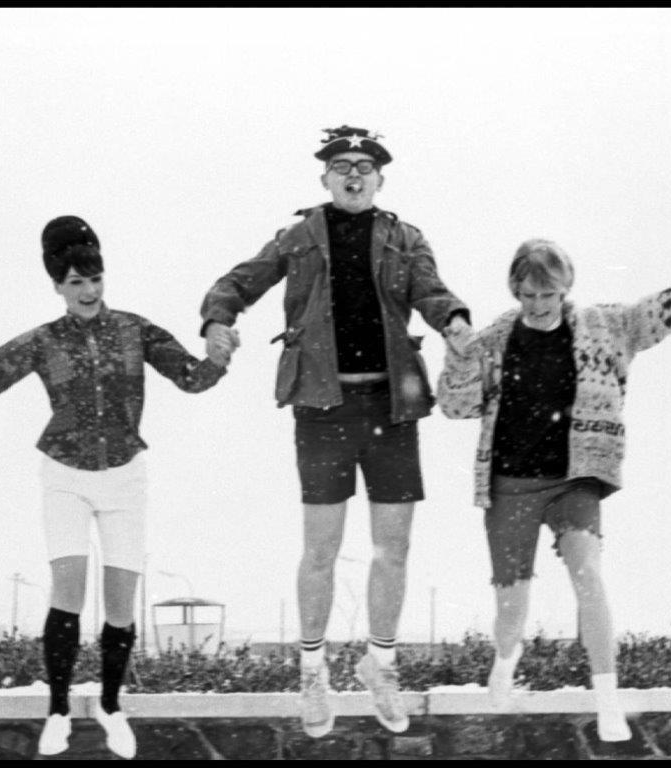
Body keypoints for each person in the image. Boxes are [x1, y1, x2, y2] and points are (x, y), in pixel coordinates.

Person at [0, 216, 227, 759]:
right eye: (76, 283)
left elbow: (190, 377)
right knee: (69, 588)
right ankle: (58, 709)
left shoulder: (135, 330)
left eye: (95, 279)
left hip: (126, 476)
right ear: (58, 287)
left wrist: (219, 360)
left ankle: (111, 705)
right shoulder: (43, 341)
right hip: (64, 473)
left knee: (119, 603)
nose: (88, 291)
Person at [437, 239, 671, 741]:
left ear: (565, 288)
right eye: (527, 294)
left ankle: (608, 699)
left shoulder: (607, 327)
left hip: (575, 478)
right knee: (512, 609)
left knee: (588, 575)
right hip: (511, 485)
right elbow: (455, 406)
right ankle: (506, 660)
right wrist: (459, 359)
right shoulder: (495, 339)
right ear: (516, 291)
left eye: (546, 294)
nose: (536, 304)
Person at [200, 126, 472, 737]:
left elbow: (431, 291)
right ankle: (312, 672)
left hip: (392, 405)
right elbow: (235, 283)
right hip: (322, 408)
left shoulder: (406, 238)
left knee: (392, 549)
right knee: (320, 550)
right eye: (342, 165)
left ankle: (380, 666)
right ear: (324, 177)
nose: (354, 174)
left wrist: (455, 321)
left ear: (381, 178)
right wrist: (218, 320)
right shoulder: (297, 237)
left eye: (366, 166)